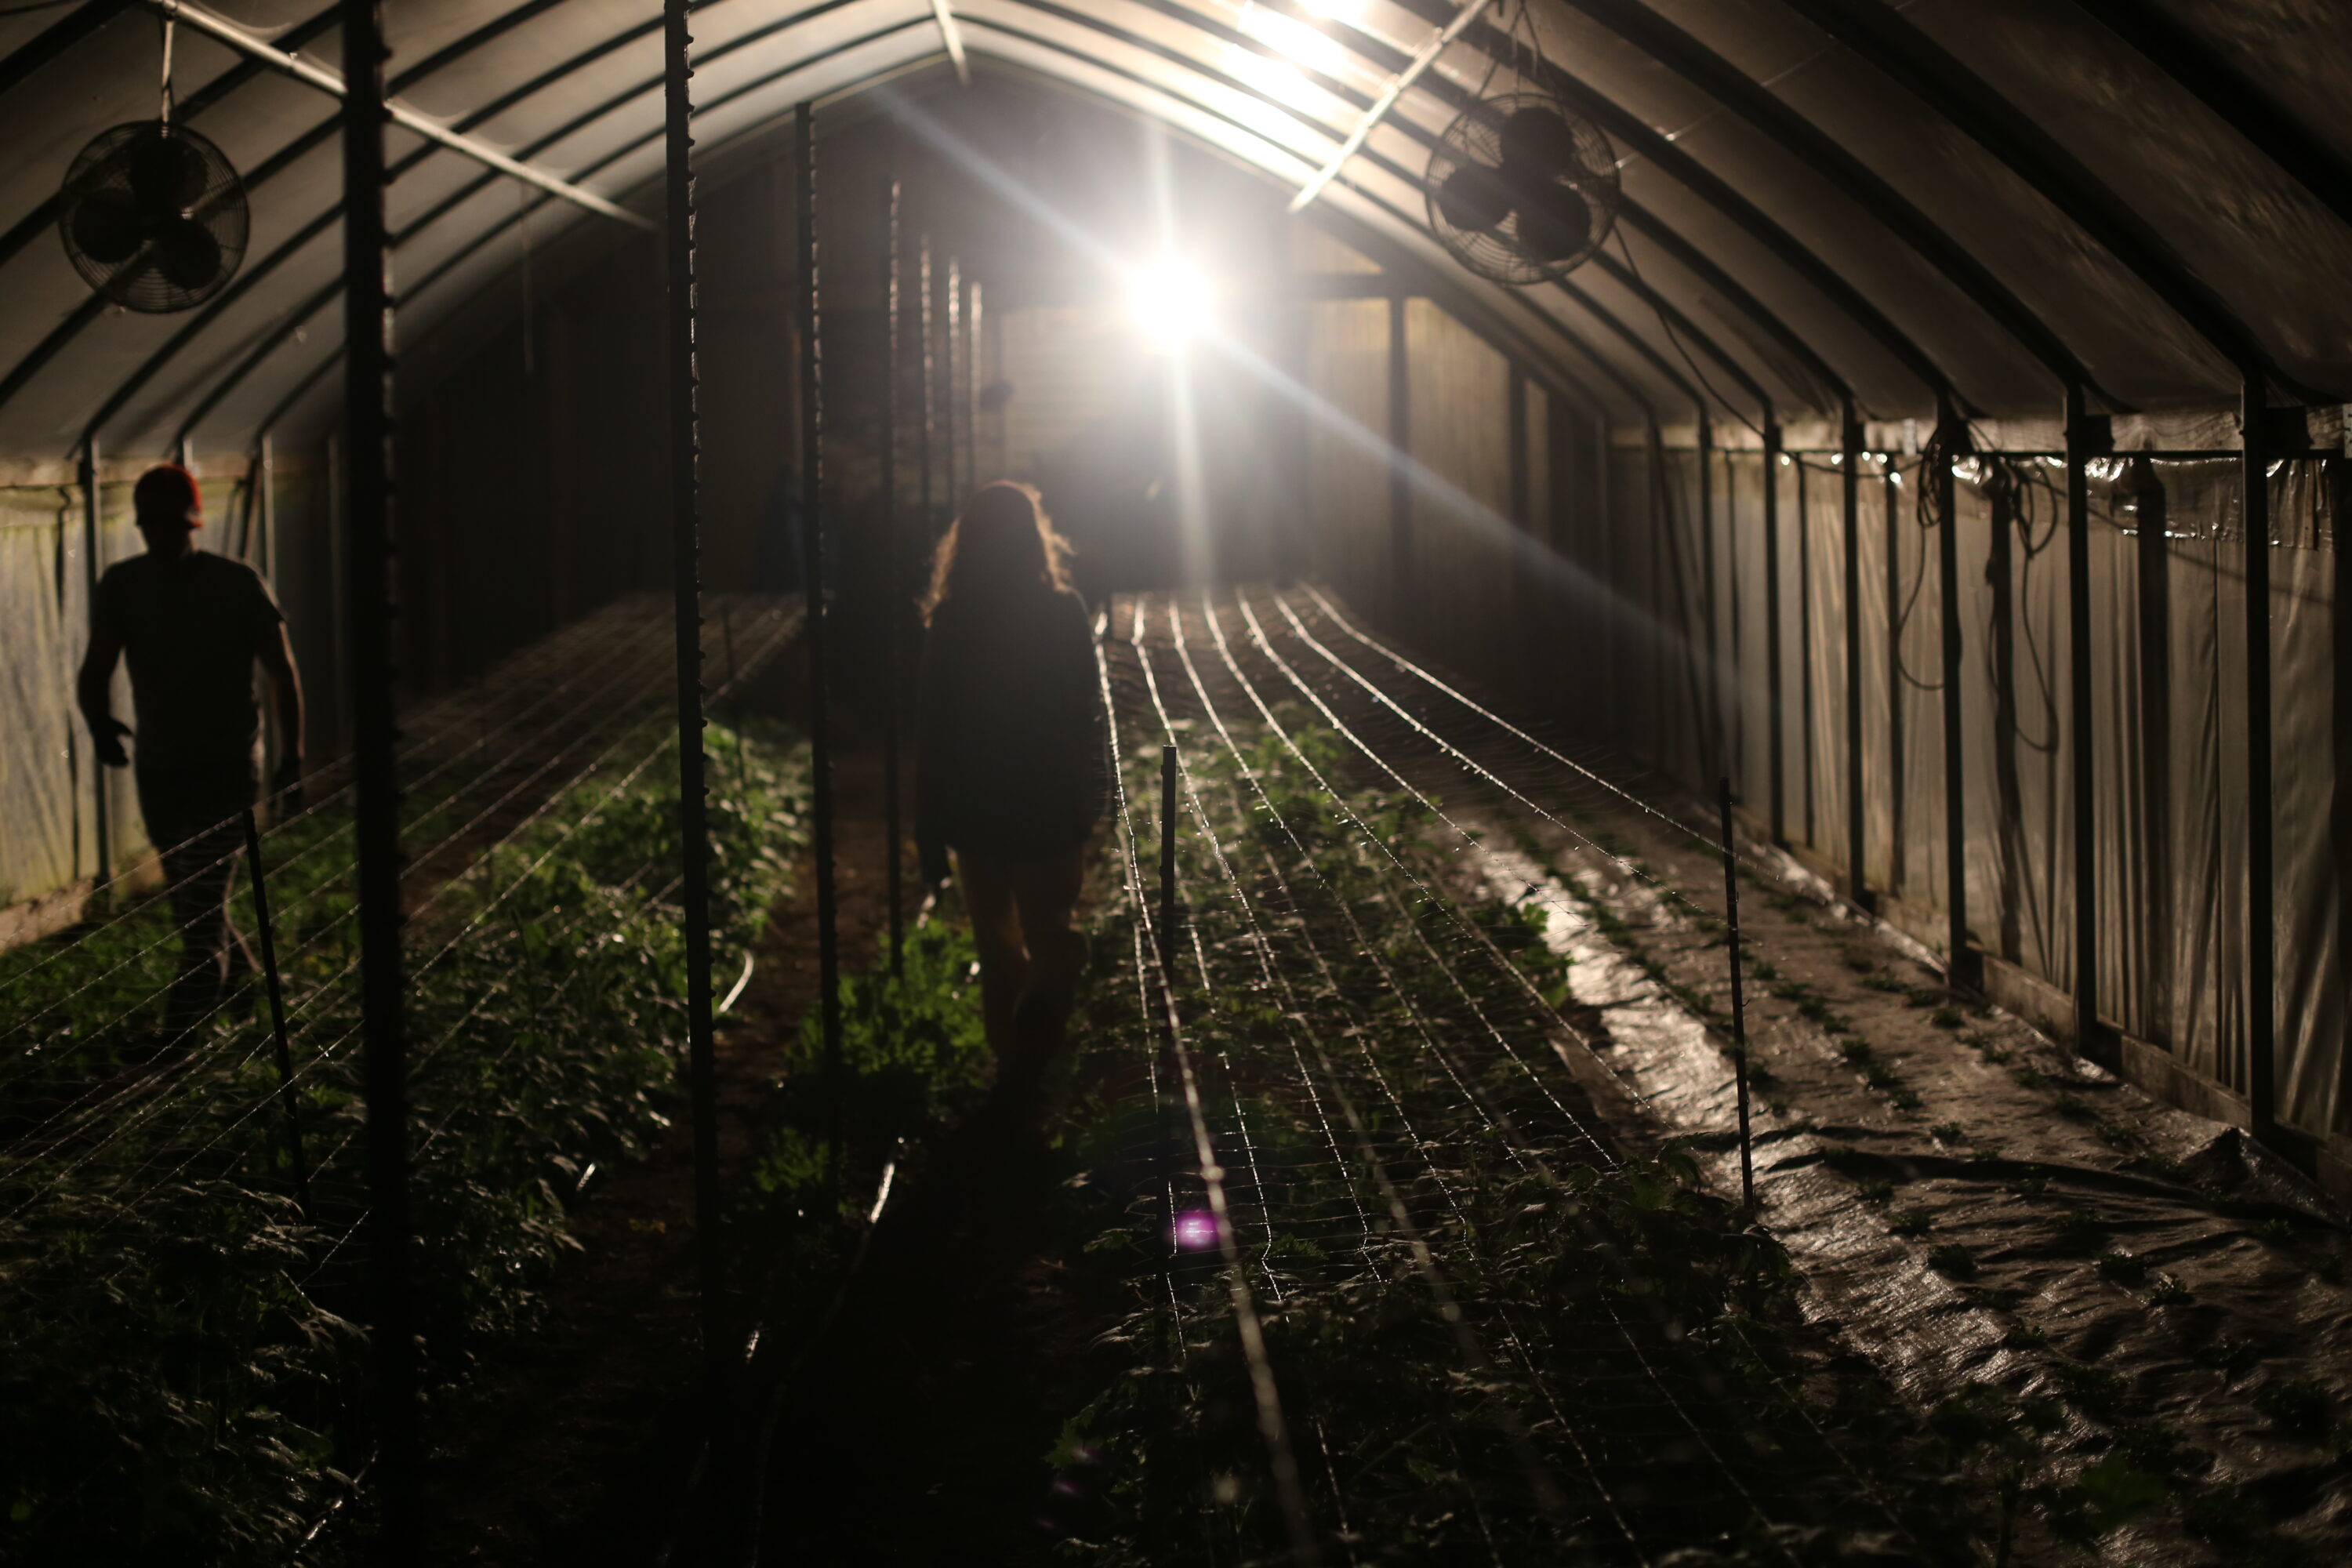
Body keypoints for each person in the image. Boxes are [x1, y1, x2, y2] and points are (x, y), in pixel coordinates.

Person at [78, 463, 304, 1039]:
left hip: (225, 768)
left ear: (191, 522)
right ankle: (253, 1003)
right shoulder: (123, 585)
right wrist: (100, 722)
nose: (160, 533)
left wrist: (291, 759)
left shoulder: (236, 582)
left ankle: (177, 1040)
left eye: (169, 522)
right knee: (193, 899)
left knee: (200, 909)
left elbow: (282, 674)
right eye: (150, 523)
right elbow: (97, 666)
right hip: (162, 770)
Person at [915, 481, 1105, 1069]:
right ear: (1033, 541)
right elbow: (1085, 709)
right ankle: (1043, 1041)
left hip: (978, 813)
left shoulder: (951, 621)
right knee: (1050, 934)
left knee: (997, 950)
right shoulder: (1062, 612)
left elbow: (933, 727)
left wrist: (929, 824)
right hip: (1048, 806)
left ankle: (1013, 1068)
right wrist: (1090, 795)